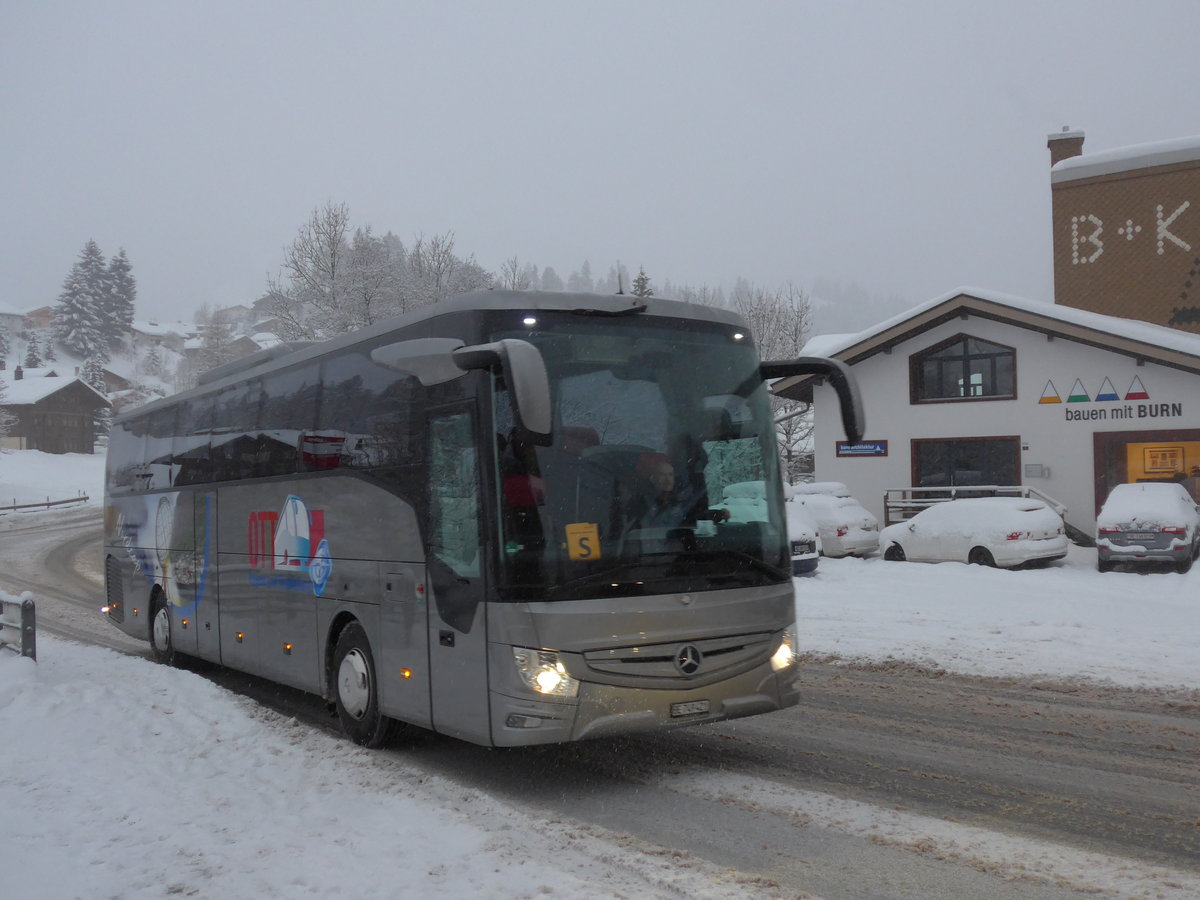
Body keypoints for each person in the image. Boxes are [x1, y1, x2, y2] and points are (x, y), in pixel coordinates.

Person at [627, 453, 729, 530]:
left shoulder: (680, 500)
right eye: (662, 474)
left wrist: (718, 514)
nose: (667, 479)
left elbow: (695, 517)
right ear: (653, 479)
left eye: (670, 475)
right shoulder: (641, 503)